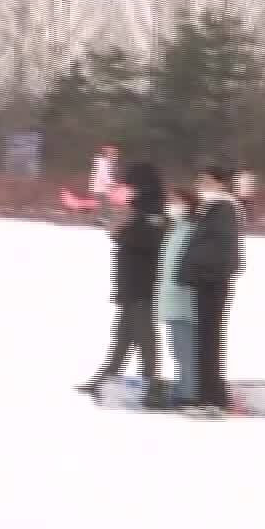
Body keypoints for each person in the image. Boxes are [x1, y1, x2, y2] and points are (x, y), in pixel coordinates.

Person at [79, 161, 167, 408]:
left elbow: (150, 241)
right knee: (123, 335)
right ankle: (105, 379)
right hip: (130, 281)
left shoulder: (154, 208)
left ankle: (151, 382)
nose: (128, 189)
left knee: (145, 335)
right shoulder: (139, 207)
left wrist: (120, 234)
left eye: (131, 184)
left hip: (143, 282)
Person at [177, 165, 244, 417]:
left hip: (213, 282)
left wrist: (199, 270)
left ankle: (214, 398)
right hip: (204, 281)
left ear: (220, 183)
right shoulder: (209, 208)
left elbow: (221, 248)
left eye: (205, 180)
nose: (200, 184)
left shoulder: (224, 208)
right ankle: (206, 395)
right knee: (204, 340)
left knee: (210, 340)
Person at [156, 186, 199, 407]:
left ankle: (189, 392)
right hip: (172, 297)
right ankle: (186, 385)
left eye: (176, 201)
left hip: (185, 299)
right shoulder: (175, 229)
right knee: (177, 347)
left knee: (185, 348)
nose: (171, 205)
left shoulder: (192, 230)